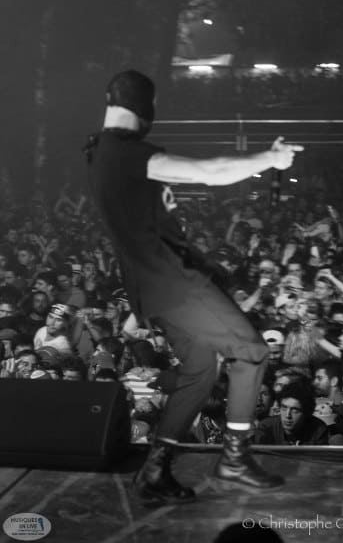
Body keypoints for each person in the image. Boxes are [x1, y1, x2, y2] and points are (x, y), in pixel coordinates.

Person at [85, 69, 303, 504]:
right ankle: (234, 461)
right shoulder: (124, 151)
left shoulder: (98, 150)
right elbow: (209, 171)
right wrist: (270, 159)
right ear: (146, 108)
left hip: (152, 289)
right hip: (176, 283)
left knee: (201, 368)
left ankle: (154, 471)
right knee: (251, 352)